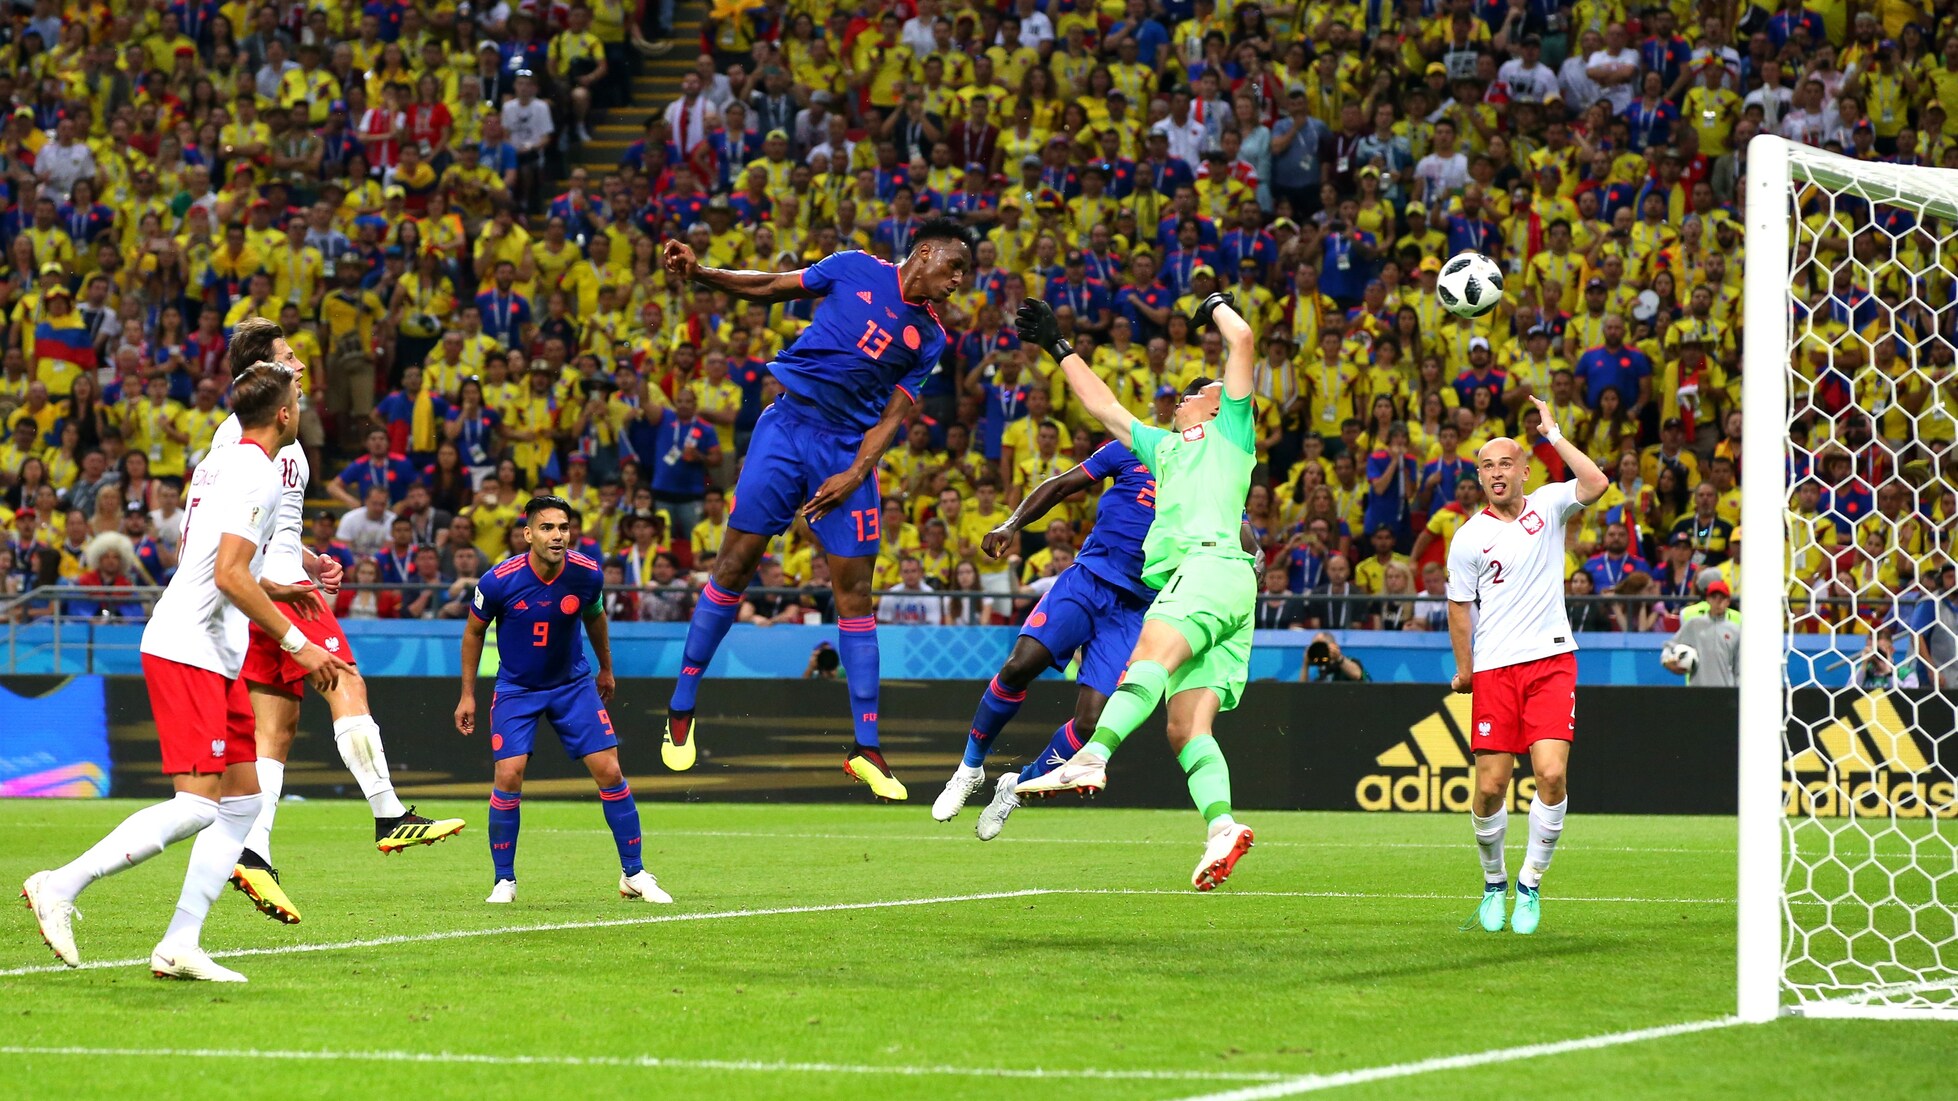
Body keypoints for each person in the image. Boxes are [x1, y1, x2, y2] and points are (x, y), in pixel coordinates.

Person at [23, 362, 352, 980]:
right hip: (189, 646)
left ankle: (180, 943)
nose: (303, 403)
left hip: (212, 648)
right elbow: (228, 574)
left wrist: (280, 588)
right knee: (200, 805)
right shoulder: (260, 472)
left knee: (244, 800)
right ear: (283, 414)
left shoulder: (219, 458)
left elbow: (218, 562)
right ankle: (60, 885)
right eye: (299, 396)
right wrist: (299, 644)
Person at [659, 218, 976, 800]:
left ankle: (867, 748)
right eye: (954, 267)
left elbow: (892, 418)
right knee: (733, 567)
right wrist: (702, 273)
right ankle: (682, 704)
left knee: (856, 595)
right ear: (925, 253)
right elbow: (771, 286)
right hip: (786, 427)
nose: (959, 281)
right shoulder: (854, 267)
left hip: (846, 454)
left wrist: (855, 473)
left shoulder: (930, 338)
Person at [215, 321, 464, 926]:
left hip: (276, 584)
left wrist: (308, 556)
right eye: (287, 355)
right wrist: (281, 579)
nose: (299, 361)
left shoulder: (280, 430)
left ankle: (253, 850)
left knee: (277, 729)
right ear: (262, 371)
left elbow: (268, 524)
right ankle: (388, 813)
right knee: (345, 681)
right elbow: (230, 526)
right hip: (277, 595)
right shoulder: (243, 436)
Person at [1010, 291, 1259, 891]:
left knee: (1145, 659)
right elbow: (1104, 406)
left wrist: (1216, 305)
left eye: (1193, 393)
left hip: (1206, 569)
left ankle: (1090, 757)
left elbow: (1243, 341)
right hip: (1229, 589)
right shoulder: (1163, 449)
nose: (1182, 399)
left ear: (1214, 403)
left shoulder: (1230, 431)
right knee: (1186, 730)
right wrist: (1058, 347)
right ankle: (1221, 827)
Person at [932, 419, 1175, 838]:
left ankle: (1015, 787)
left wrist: (1255, 552)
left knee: (1092, 722)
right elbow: (1062, 485)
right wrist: (1011, 524)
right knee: (1018, 666)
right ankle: (969, 768)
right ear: (1180, 412)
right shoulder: (1133, 446)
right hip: (1088, 579)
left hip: (1135, 608)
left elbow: (1239, 530)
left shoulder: (1212, 474)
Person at [1445, 395, 1609, 936]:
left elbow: (1597, 484)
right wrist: (1465, 670)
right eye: (1486, 466)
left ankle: (1530, 883)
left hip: (1551, 659)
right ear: (1479, 476)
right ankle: (1494, 884)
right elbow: (1459, 607)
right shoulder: (1469, 538)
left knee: (1552, 773)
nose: (1496, 473)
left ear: (1524, 469)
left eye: (1505, 463)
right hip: (1495, 669)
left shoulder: (1549, 504)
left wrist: (1555, 434)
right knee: (1490, 787)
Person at [454, 495, 671, 906]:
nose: (558, 536)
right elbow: (472, 633)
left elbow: (595, 618)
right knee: (508, 776)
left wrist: (606, 668)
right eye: (548, 528)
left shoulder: (586, 574)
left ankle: (634, 873)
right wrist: (467, 695)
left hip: (573, 685)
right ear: (528, 534)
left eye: (564, 528)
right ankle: (504, 881)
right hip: (517, 689)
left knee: (609, 770)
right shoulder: (498, 580)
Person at [1661, 576, 1739, 685]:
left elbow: (1739, 668)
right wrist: (1666, 661)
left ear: (1728, 602)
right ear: (1708, 599)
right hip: (1697, 690)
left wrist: (1737, 693)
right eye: (1714, 597)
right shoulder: (1694, 624)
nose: (1718, 601)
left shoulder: (1735, 630)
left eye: (1722, 598)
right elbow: (1670, 645)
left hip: (1725, 692)